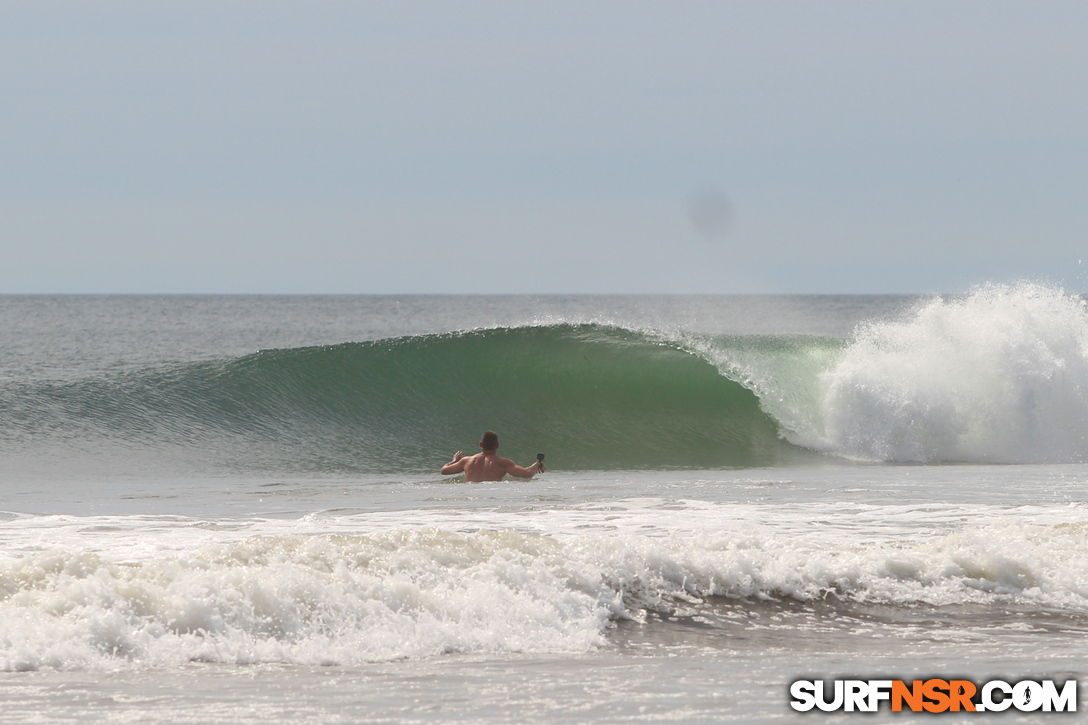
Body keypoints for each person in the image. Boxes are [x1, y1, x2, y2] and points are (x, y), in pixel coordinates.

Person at [441, 430, 543, 482]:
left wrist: (455, 460)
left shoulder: (466, 461)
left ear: (481, 445)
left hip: (470, 495)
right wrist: (537, 464)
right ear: (497, 445)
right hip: (490, 497)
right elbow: (527, 474)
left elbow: (444, 470)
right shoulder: (503, 463)